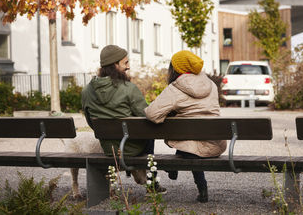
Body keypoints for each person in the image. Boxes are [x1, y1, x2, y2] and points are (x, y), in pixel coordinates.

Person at [81, 44, 166, 193]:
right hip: (133, 148)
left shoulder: (87, 91)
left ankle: (143, 177)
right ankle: (152, 183)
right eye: (125, 63)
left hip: (109, 149)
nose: (128, 67)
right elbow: (145, 116)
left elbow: (91, 122)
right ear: (115, 64)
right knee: (149, 132)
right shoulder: (129, 88)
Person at [144, 50, 226, 203]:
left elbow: (152, 115)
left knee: (191, 144)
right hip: (215, 145)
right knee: (192, 140)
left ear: (175, 69)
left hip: (191, 149)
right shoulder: (212, 85)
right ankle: (201, 188)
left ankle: (173, 168)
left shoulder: (175, 89)